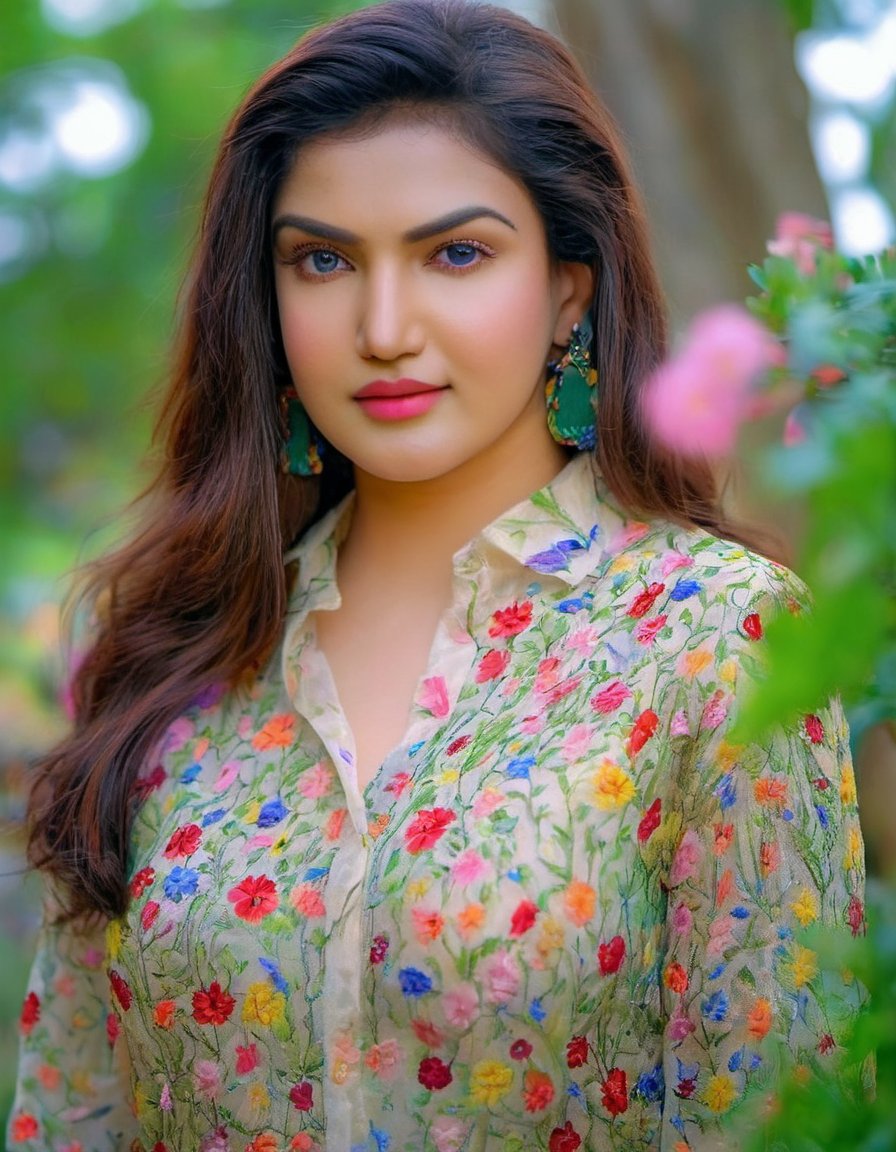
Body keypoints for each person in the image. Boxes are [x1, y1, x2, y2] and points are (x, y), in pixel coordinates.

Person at [9, 2, 866, 1150]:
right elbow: (68, 1112)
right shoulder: (168, 655)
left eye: (454, 254)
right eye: (322, 260)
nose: (383, 325)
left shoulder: (712, 639)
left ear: (569, 285)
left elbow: (781, 1116)